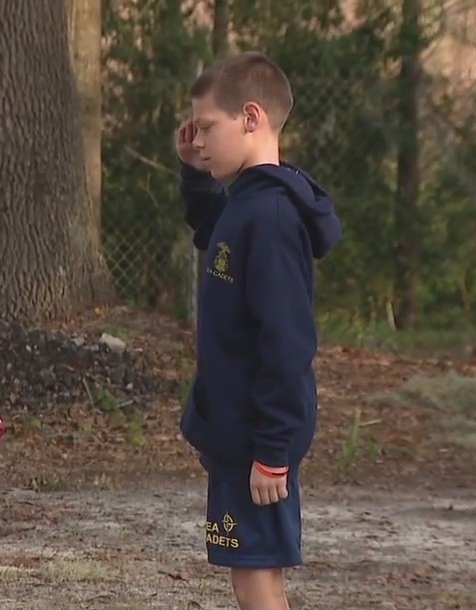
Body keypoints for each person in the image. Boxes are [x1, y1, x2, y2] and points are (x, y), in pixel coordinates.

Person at [175, 51, 343, 610]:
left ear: (251, 118)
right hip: (236, 435)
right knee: (248, 570)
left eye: (207, 128)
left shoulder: (271, 219)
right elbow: (213, 232)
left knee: (255, 577)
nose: (197, 140)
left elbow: (287, 344)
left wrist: (274, 449)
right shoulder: (244, 205)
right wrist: (196, 176)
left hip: (256, 441)